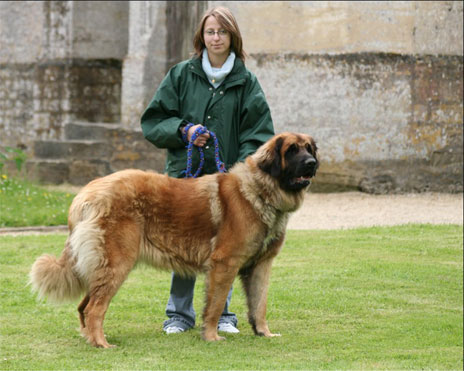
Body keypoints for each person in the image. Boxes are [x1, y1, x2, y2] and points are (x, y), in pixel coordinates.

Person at [140, 6, 275, 334]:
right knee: (185, 244)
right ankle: (178, 315)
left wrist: (239, 174)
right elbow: (154, 121)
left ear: (233, 37)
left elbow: (257, 134)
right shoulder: (181, 75)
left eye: (222, 32)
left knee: (229, 248)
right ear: (202, 37)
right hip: (184, 178)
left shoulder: (246, 82)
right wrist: (183, 131)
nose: (216, 38)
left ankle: (224, 315)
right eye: (211, 32)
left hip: (228, 184)